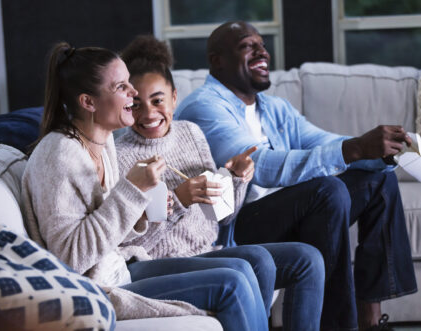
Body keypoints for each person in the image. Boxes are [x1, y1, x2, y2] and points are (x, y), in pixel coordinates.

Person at [174, 21, 418, 331]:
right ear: (217, 60)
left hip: (290, 213)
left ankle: (369, 320)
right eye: (247, 46)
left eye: (262, 45)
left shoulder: (275, 108)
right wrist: (355, 148)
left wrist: (379, 153)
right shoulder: (204, 108)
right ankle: (337, 325)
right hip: (238, 223)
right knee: (327, 191)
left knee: (379, 179)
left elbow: (325, 143)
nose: (262, 52)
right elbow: (259, 165)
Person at [21, 41, 270, 331]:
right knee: (232, 282)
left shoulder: (102, 143)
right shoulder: (60, 154)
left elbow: (114, 232)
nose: (133, 93)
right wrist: (131, 192)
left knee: (244, 266)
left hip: (119, 267)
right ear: (88, 102)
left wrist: (144, 212)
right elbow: (70, 259)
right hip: (93, 289)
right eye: (121, 87)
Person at [116, 35, 325, 331]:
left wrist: (236, 179)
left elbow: (222, 215)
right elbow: (129, 244)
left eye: (158, 100)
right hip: (159, 261)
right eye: (137, 104)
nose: (149, 113)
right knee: (258, 260)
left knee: (308, 258)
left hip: (208, 249)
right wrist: (178, 201)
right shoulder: (121, 156)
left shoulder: (190, 133)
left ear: (174, 97)